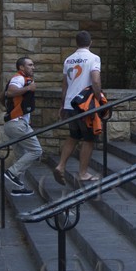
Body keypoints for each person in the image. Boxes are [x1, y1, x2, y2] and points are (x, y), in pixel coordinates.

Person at [54, 30, 103, 187]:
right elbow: (95, 80)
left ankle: (61, 165)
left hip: (70, 104)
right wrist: (100, 98)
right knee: (89, 139)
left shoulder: (68, 60)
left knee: (74, 135)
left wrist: (62, 105)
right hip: (84, 105)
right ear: (90, 42)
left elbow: (65, 84)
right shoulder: (93, 58)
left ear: (77, 43)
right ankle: (83, 173)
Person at [1, 55, 40, 196]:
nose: (33, 67)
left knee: (20, 155)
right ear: (21, 67)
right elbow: (10, 92)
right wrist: (29, 88)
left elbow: (2, 96)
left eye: (33, 64)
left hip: (13, 123)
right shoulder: (19, 78)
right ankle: (11, 172)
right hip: (17, 124)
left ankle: (18, 188)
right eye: (30, 65)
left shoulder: (21, 79)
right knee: (36, 150)